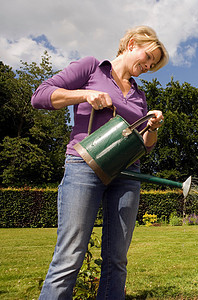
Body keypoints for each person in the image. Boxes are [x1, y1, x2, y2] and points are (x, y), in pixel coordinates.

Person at [31, 25, 169, 299]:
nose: (148, 65)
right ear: (131, 44)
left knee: (117, 260)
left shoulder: (139, 96)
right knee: (70, 255)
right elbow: (40, 96)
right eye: (148, 56)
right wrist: (84, 94)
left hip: (127, 175)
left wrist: (152, 127)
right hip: (85, 166)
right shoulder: (92, 68)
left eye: (153, 64)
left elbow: (145, 146)